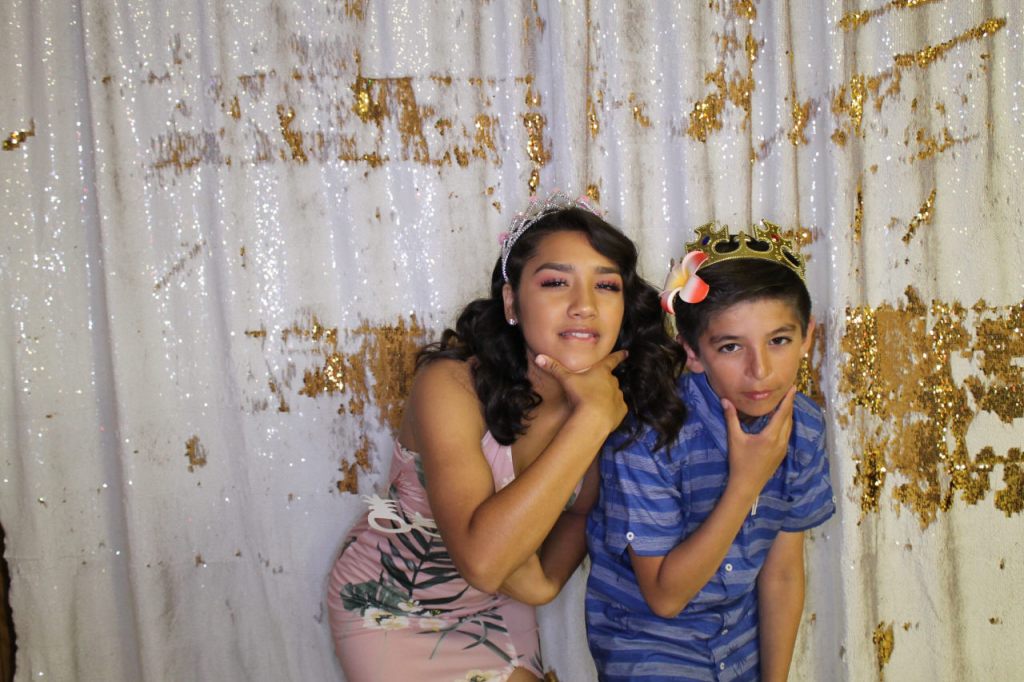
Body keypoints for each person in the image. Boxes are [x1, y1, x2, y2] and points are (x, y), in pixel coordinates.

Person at [326, 192, 686, 681]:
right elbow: (483, 561)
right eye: (556, 282)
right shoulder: (451, 385)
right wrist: (590, 420)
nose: (584, 306)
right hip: (392, 607)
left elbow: (579, 515)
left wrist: (543, 584)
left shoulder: (623, 396)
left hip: (499, 609)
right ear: (512, 301)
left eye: (606, 285)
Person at [586, 221, 836, 681]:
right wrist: (746, 483)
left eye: (779, 340)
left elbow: (782, 573)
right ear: (693, 352)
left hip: (738, 647)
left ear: (807, 337)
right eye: (731, 347)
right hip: (650, 648)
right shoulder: (649, 440)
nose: (760, 370)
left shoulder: (803, 427)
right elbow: (664, 598)